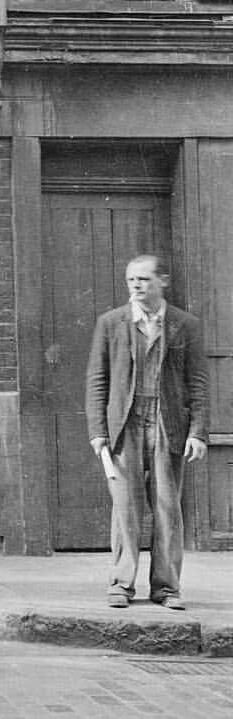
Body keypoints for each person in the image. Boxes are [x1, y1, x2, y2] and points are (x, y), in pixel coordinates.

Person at [85, 254, 209, 610]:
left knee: (167, 506)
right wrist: (98, 431)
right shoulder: (112, 323)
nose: (136, 286)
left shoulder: (185, 325)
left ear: (163, 282)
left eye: (144, 279)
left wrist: (198, 432)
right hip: (124, 425)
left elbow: (198, 383)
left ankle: (167, 588)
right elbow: (97, 379)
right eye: (131, 280)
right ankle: (122, 584)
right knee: (125, 507)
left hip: (168, 423)